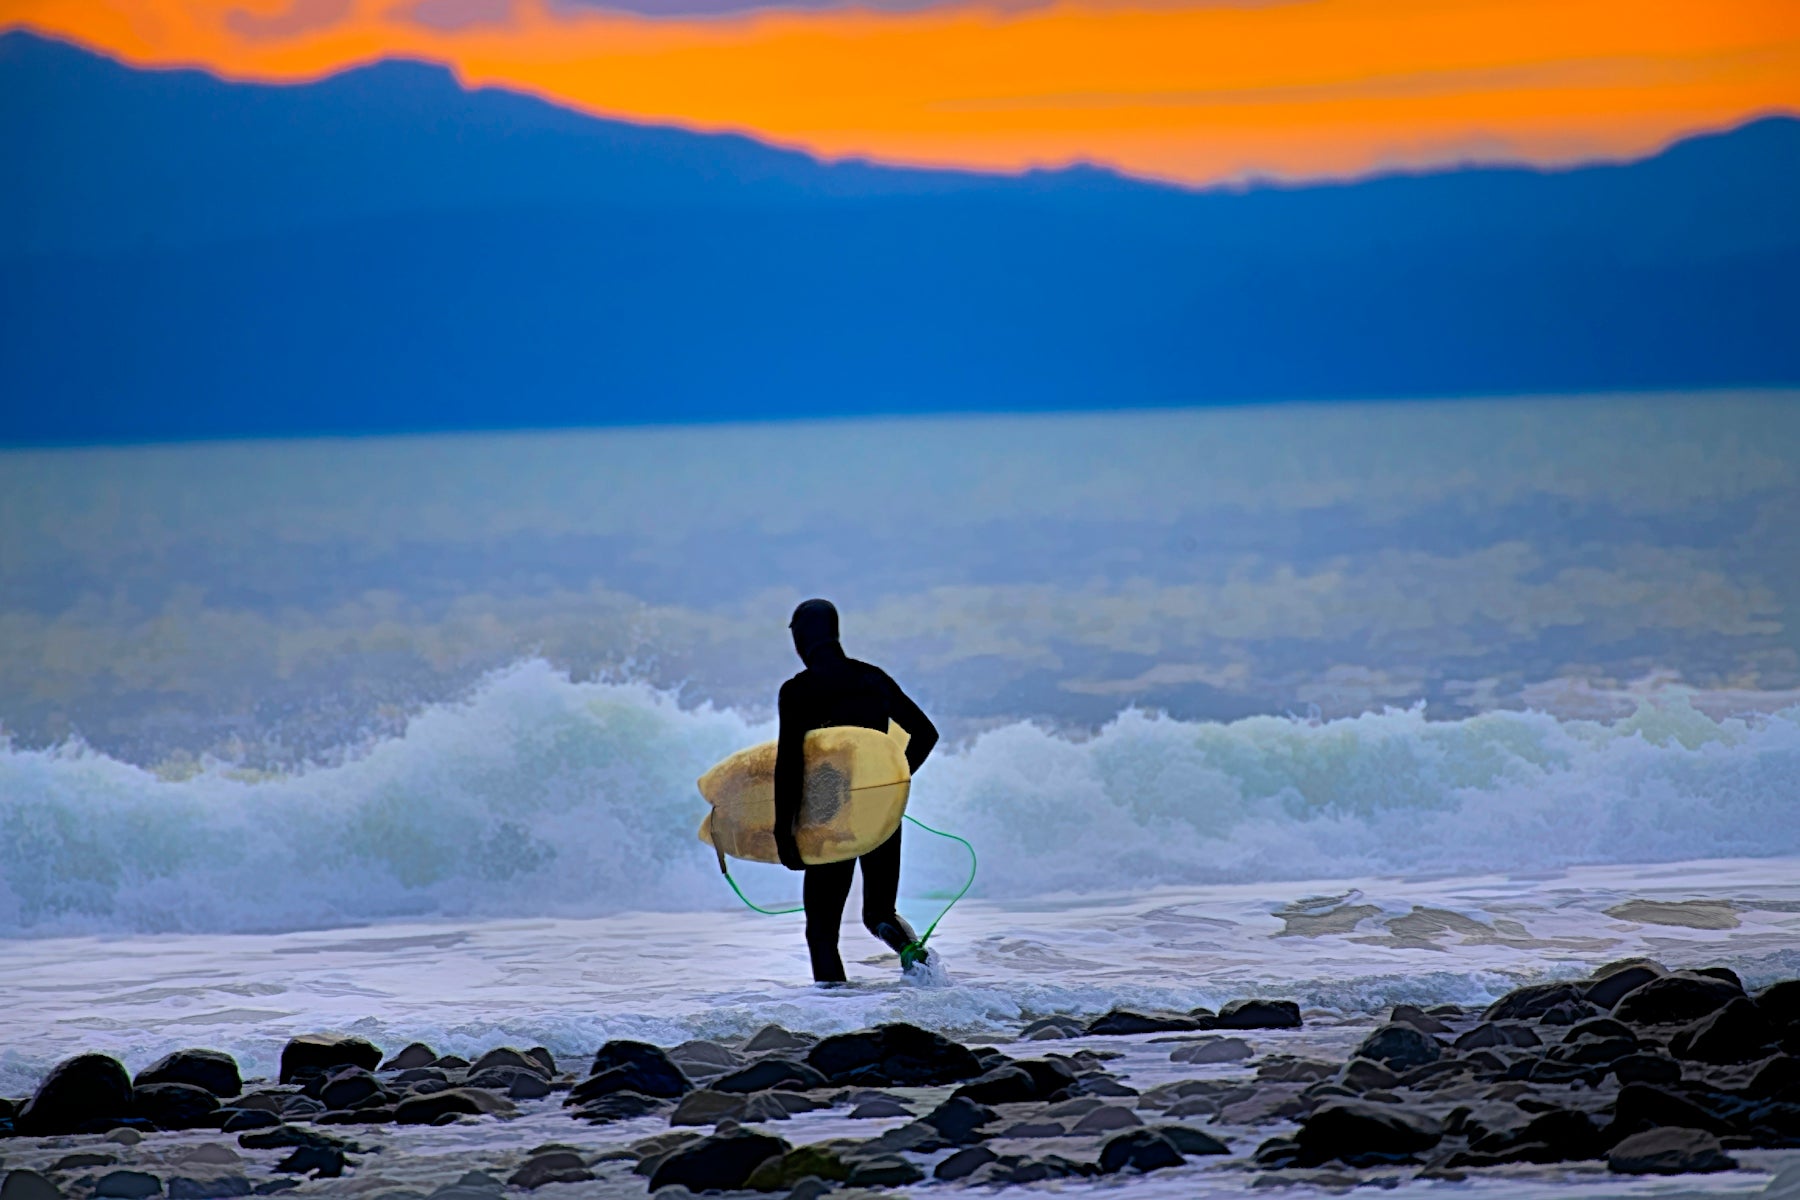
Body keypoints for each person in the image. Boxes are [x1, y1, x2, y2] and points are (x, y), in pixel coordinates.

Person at [776, 598, 939, 982]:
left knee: (821, 932)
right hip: (880, 813)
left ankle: (834, 1018)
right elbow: (926, 733)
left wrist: (784, 832)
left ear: (801, 638)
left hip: (831, 817)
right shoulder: (871, 679)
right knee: (879, 913)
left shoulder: (798, 691)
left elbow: (790, 767)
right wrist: (891, 782)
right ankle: (923, 969)